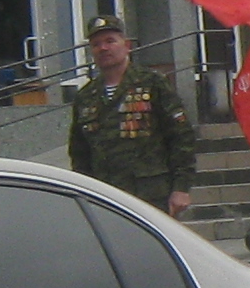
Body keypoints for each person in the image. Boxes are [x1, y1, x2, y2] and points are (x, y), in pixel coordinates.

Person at [67, 15, 197, 216]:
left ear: (126, 45)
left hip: (150, 195)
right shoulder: (86, 96)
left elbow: (181, 137)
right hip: (105, 197)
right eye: (96, 44)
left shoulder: (152, 83)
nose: (103, 48)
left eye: (110, 41)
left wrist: (181, 187)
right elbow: (79, 153)